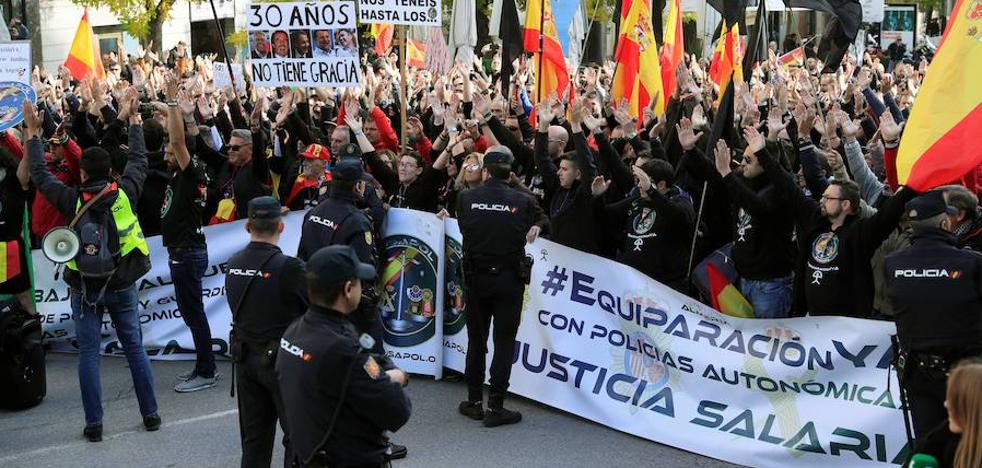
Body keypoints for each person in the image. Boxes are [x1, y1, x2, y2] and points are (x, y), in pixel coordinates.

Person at [23, 96, 160, 442]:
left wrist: (33, 134)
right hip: (122, 283)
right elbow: (139, 160)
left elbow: (38, 173)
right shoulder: (126, 191)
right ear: (110, 172)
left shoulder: (70, 199)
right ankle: (151, 415)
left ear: (81, 173)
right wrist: (134, 123)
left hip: (84, 289)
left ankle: (94, 425)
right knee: (134, 348)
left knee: (88, 354)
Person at [277, 245, 411, 468]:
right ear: (348, 289)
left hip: (308, 454)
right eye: (359, 282)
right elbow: (397, 410)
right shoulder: (344, 351)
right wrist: (397, 377)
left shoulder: (295, 331)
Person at [456, 146, 549, 427]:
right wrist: (537, 226)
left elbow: (464, 228)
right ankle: (496, 407)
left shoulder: (466, 198)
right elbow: (543, 217)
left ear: (485, 172)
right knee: (504, 342)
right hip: (509, 279)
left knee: (476, 340)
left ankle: (474, 402)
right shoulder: (522, 201)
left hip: (476, 278)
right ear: (510, 174)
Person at [886, 190, 982, 444]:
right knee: (969, 446)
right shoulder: (972, 263)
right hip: (967, 378)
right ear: (944, 223)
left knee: (929, 446)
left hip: (919, 377)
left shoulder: (893, 263)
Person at [226, 196, 307, 468]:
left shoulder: (233, 263)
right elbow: (313, 312)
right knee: (297, 439)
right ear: (281, 227)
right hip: (282, 363)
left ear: (248, 226)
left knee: (254, 441)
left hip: (245, 360)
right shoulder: (291, 267)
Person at [163, 85, 218, 392]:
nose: (166, 153)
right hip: (183, 252)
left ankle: (207, 371)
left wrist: (172, 103)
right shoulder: (187, 173)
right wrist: (171, 112)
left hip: (186, 253)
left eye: (171, 152)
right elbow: (178, 140)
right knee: (192, 314)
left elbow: (178, 140)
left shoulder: (191, 173)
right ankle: (203, 365)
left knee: (194, 315)